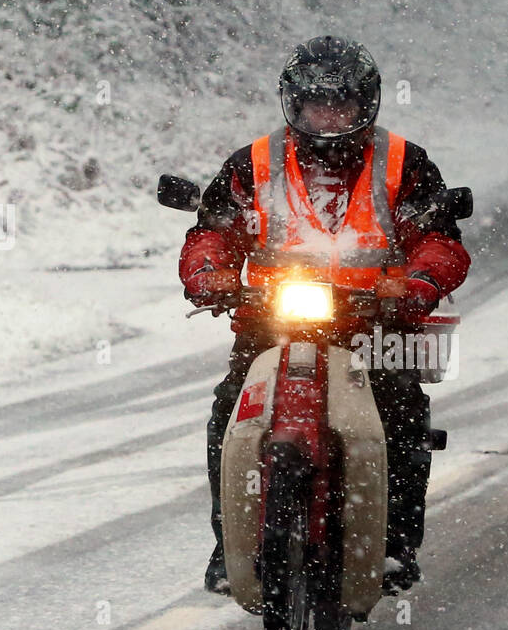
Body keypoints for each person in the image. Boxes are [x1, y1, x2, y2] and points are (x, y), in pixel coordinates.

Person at [179, 35, 471, 596]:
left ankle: (394, 547)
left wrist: (420, 283)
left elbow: (438, 237)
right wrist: (208, 275)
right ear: (294, 103)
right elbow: (212, 232)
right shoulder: (254, 164)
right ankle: (229, 547)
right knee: (228, 416)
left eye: (341, 104)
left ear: (367, 105)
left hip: (375, 324)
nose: (329, 116)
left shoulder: (403, 163)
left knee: (403, 417)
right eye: (317, 104)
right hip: (271, 325)